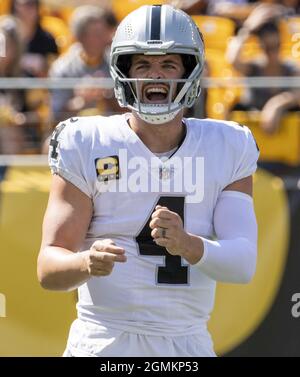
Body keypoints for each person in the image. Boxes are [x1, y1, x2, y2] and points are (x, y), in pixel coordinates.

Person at [37, 4, 259, 357]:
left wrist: (188, 244)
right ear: (124, 72)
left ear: (190, 72)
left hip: (187, 343)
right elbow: (49, 267)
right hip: (103, 340)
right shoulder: (87, 141)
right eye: (142, 64)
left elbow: (243, 263)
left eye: (169, 64)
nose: (155, 75)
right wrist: (85, 262)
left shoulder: (228, 145)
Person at [226, 3, 300, 133]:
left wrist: (277, 103)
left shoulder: (290, 69)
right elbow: (232, 59)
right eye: (267, 48)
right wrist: (247, 28)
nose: (272, 54)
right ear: (260, 47)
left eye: (275, 47)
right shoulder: (252, 68)